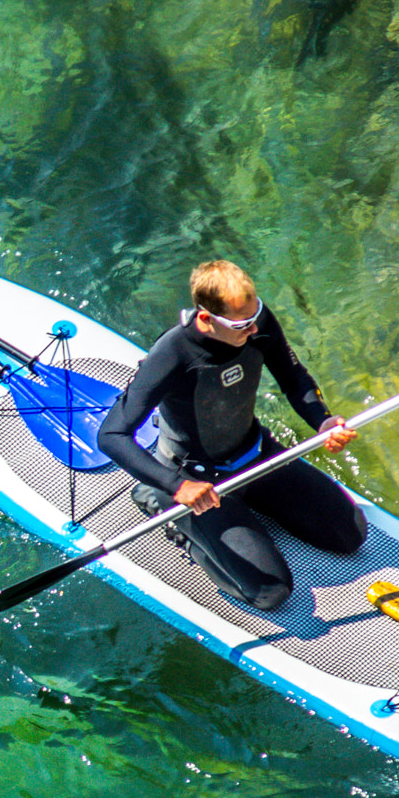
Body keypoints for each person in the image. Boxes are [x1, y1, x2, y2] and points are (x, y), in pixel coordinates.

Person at [95, 260, 367, 610]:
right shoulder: (172, 354)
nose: (254, 330)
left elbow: (293, 376)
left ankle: (249, 504)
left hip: (257, 454)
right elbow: (112, 435)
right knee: (270, 591)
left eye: (255, 317)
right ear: (206, 319)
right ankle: (161, 503)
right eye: (241, 325)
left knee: (350, 534)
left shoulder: (257, 321)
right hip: (198, 481)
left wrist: (323, 422)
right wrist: (177, 486)